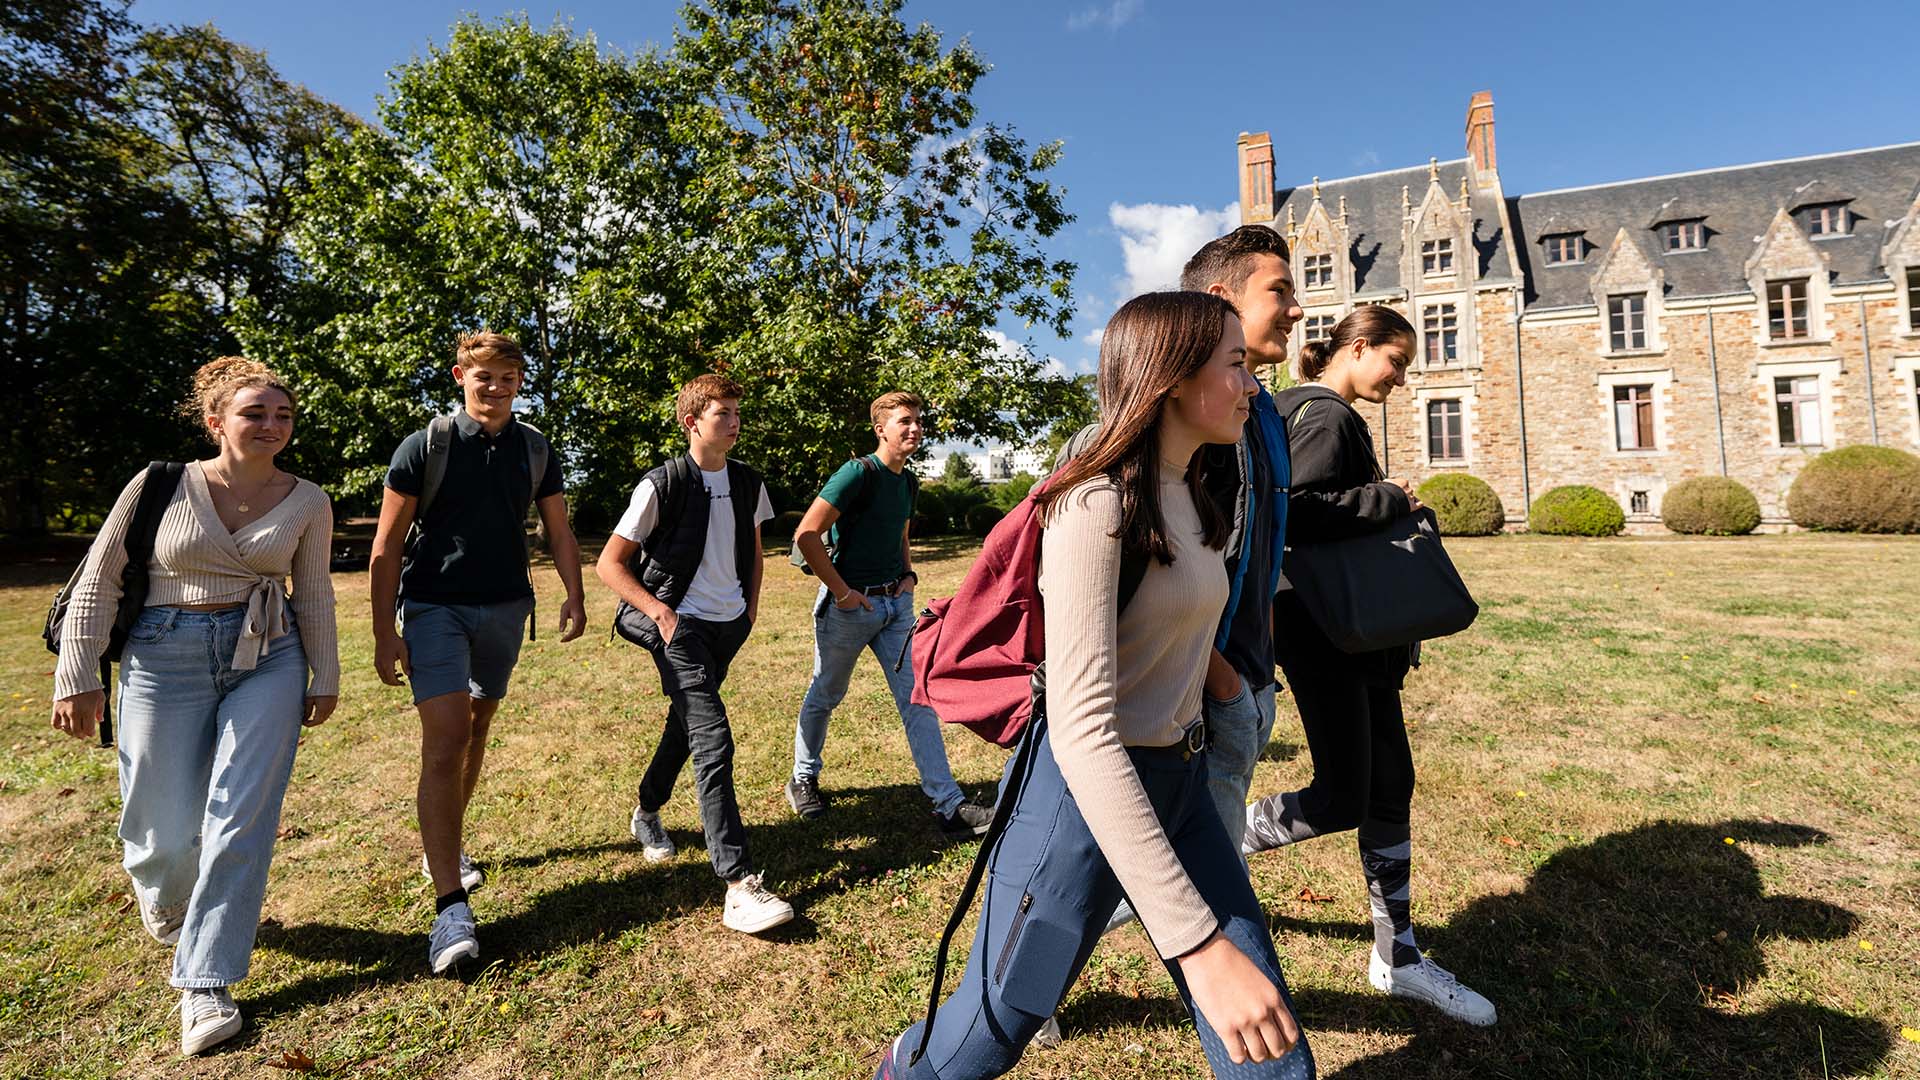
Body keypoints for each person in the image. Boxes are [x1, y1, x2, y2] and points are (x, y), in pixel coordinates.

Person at [874, 292, 1313, 1079]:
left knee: (1270, 1049)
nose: (1252, 386)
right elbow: (1083, 733)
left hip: (1181, 781)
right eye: (1236, 366)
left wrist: (1218, 692)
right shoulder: (1095, 505)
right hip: (1077, 805)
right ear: (1174, 378)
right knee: (991, 1031)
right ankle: (905, 1064)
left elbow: (1181, 616)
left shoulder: (1197, 491)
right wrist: (1197, 943)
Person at [51, 357, 339, 1056]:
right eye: (254, 413)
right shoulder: (160, 484)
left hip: (266, 655)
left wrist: (324, 675)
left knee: (240, 816)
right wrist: (76, 674)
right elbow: (99, 578)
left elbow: (316, 592)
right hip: (162, 654)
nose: (272, 425)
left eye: (283, 415)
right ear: (216, 422)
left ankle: (205, 981)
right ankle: (167, 897)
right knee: (160, 829)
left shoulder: (307, 499)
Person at [1243, 306, 1497, 1026]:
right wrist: (1394, 498)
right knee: (1344, 795)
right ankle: (1213, 842)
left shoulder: (1299, 408)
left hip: (1347, 633)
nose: (1402, 377)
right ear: (1358, 348)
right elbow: (1300, 509)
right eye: (1396, 360)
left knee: (1389, 784)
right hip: (1329, 629)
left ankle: (1400, 955)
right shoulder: (1324, 414)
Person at [369, 331, 587, 974]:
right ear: (461, 375)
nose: (495, 387)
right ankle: (449, 908)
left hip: (506, 609)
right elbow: (385, 546)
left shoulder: (536, 450)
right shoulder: (425, 446)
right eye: (484, 376)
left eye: (509, 377)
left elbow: (559, 529)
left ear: (521, 381)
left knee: (479, 722)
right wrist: (386, 631)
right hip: (435, 607)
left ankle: (451, 844)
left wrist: (573, 595)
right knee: (446, 738)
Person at [596, 374, 795, 935]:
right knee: (712, 736)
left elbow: (752, 553)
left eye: (736, 412)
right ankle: (737, 885)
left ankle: (646, 811)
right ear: (693, 422)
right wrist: (661, 615)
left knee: (684, 729)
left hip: (727, 627)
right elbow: (609, 564)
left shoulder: (749, 482)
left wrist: (749, 611)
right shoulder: (660, 485)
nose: (733, 421)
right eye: (722, 413)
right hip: (678, 629)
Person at [784, 391, 992, 839]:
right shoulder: (857, 473)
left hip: (896, 606)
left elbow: (900, 532)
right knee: (826, 693)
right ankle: (803, 777)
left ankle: (948, 805)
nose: (915, 427)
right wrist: (842, 592)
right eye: (904, 421)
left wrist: (908, 575)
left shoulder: (908, 481)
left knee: (917, 700)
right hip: (850, 608)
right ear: (881, 429)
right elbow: (806, 534)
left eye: (918, 419)